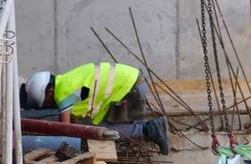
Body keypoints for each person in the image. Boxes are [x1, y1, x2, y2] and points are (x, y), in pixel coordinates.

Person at [22, 62, 170, 155]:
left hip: (128, 88)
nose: (50, 105)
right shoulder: (66, 81)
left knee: (107, 131)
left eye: (47, 102)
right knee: (102, 125)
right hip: (133, 83)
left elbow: (65, 130)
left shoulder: (63, 93)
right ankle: (152, 127)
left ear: (49, 91)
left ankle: (150, 130)